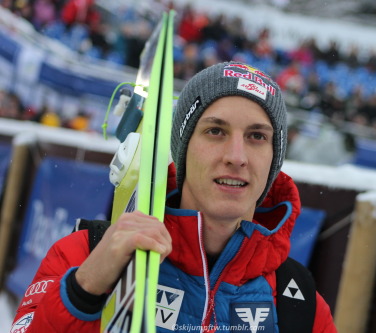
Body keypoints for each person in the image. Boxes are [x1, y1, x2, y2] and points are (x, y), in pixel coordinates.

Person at [11, 61, 337, 332]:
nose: (237, 156)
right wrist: (84, 290)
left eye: (256, 136)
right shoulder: (87, 252)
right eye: (215, 131)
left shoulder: (299, 300)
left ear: (273, 159)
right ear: (182, 150)